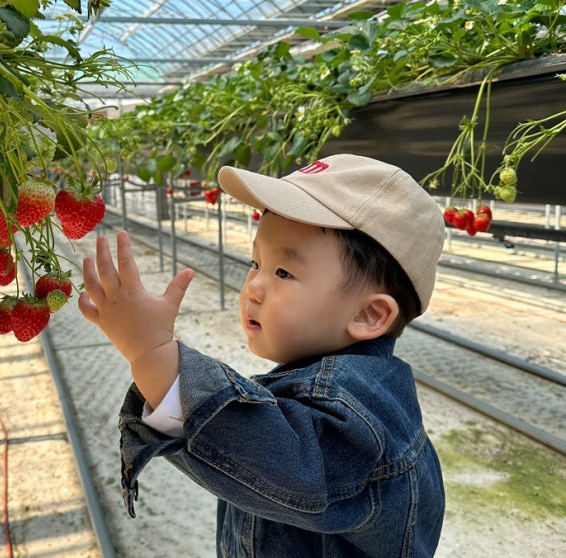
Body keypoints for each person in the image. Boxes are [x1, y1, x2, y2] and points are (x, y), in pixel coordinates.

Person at [78, 153, 446, 557]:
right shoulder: (343, 387)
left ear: (368, 314)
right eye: (256, 262)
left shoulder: (355, 420)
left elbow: (271, 454)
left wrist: (150, 351)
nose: (253, 285)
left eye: (283, 272)